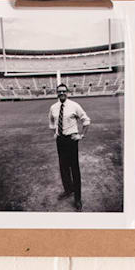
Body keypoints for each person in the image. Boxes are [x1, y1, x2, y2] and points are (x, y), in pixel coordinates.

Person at [48, 82, 90, 210]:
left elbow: (86, 120)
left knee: (74, 169)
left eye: (63, 91)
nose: (61, 93)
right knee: (63, 167)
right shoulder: (53, 108)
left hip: (72, 140)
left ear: (67, 92)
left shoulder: (74, 106)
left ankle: (77, 198)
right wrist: (55, 133)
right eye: (59, 91)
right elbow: (51, 122)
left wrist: (81, 135)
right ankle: (68, 190)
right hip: (60, 141)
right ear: (57, 93)